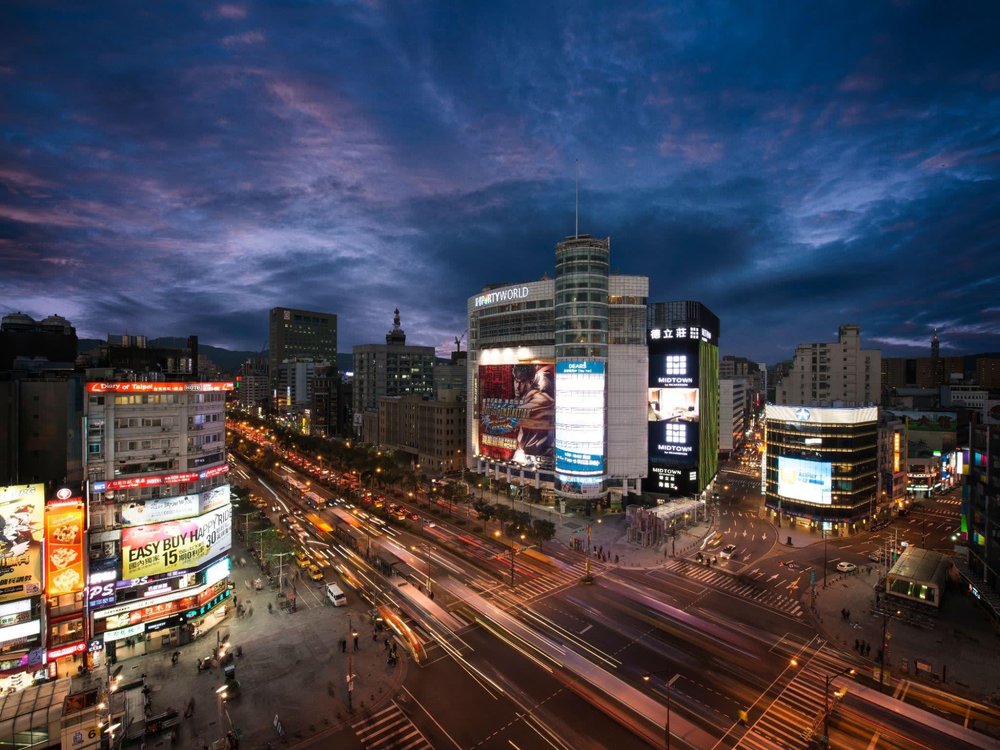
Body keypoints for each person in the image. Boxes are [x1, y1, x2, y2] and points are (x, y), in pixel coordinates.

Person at [510, 364, 555, 465]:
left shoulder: (543, 380)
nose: (517, 386)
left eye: (520, 382)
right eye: (516, 381)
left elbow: (541, 403)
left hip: (542, 434)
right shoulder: (527, 388)